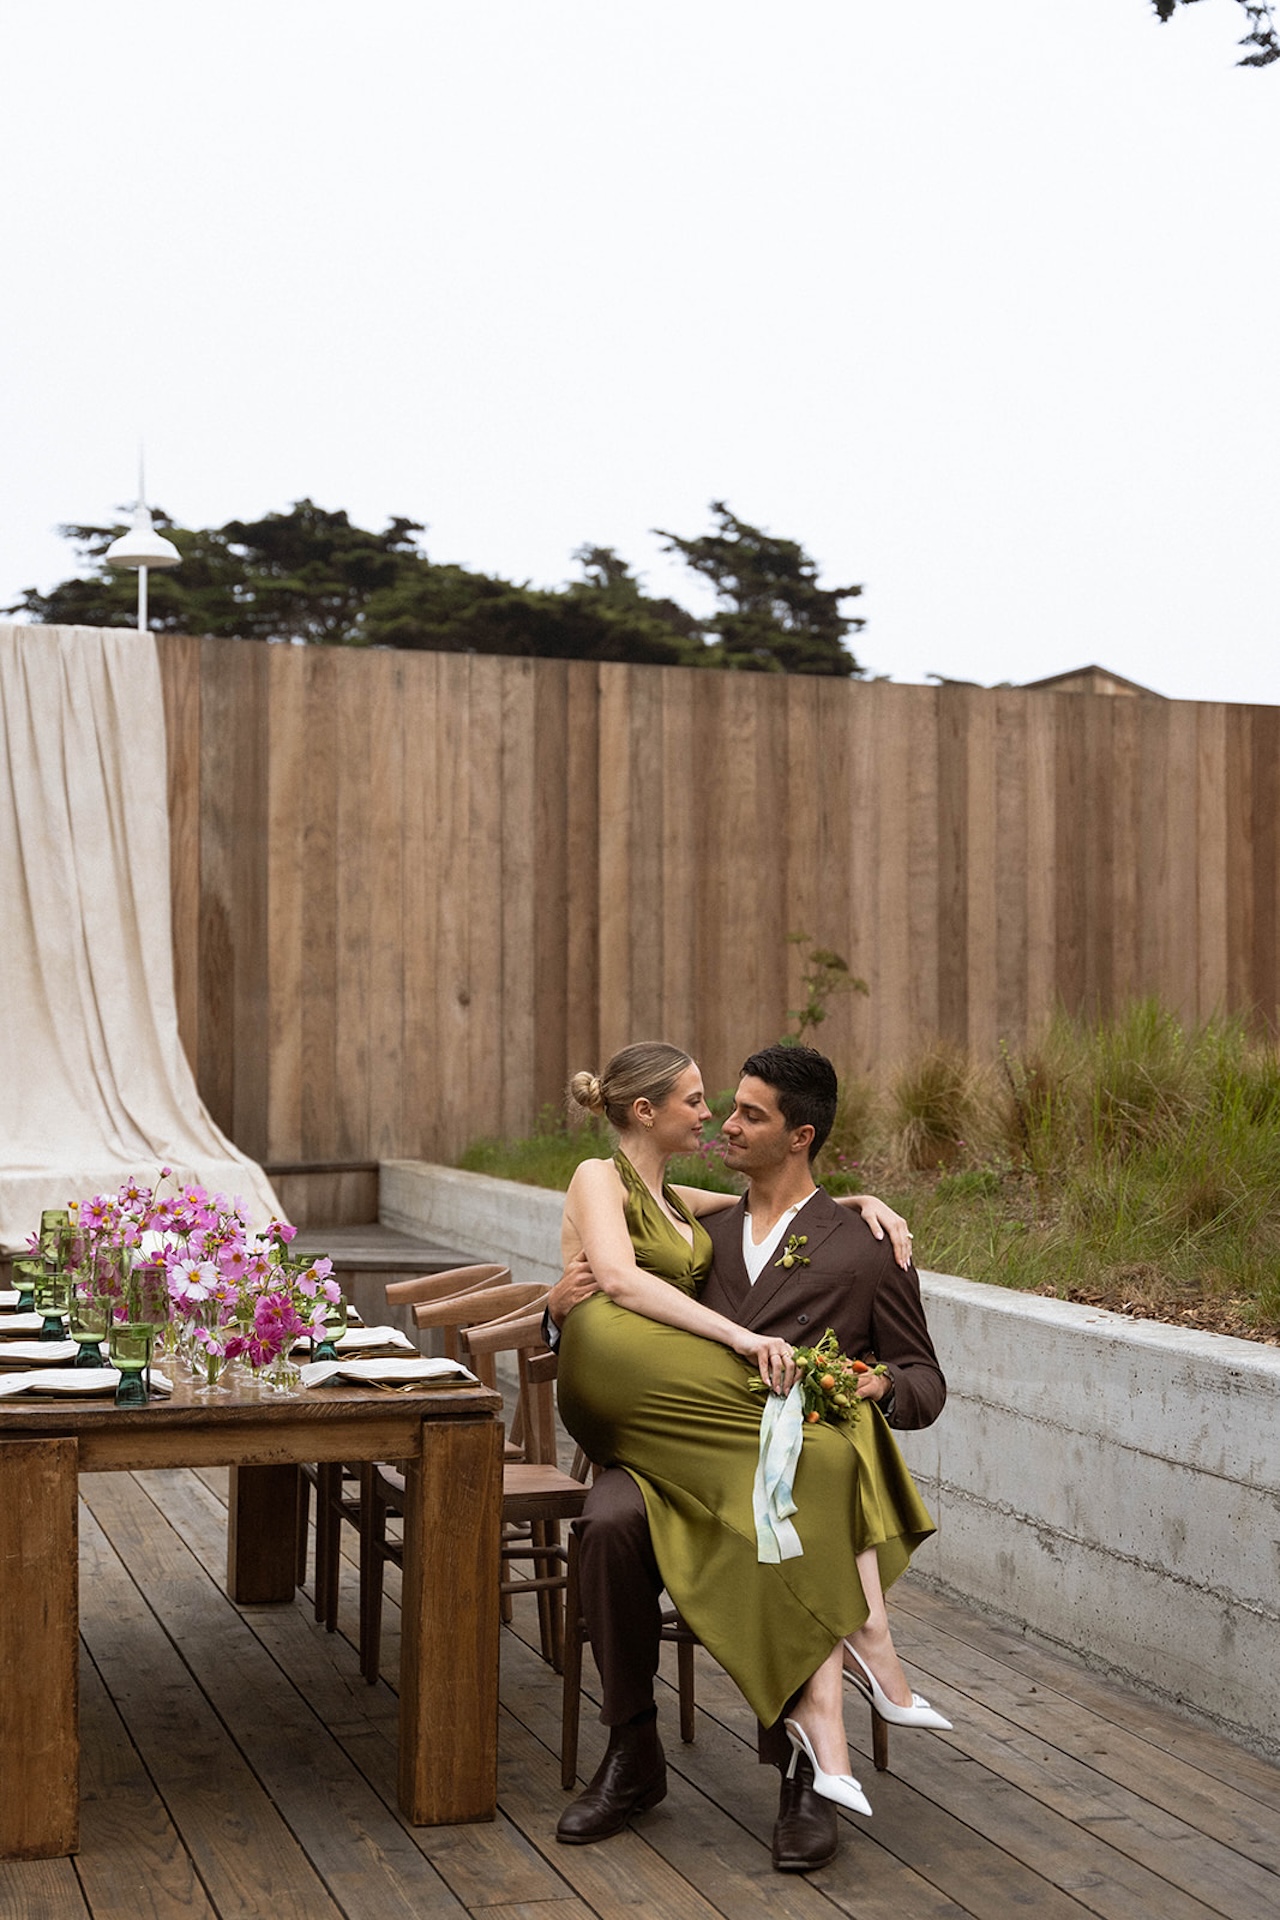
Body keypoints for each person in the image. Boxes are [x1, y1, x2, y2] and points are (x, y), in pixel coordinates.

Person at [550, 1041, 947, 1872]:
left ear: (799, 1137)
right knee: (609, 1520)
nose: (724, 1123)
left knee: (789, 1516)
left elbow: (924, 1381)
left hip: (775, 1462)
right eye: (719, 1106)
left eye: (748, 1114)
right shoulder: (703, 1223)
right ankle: (631, 1753)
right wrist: (556, 1306)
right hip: (666, 1442)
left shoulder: (867, 1248)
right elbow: (616, 1278)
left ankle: (801, 1777)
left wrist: (878, 1388)